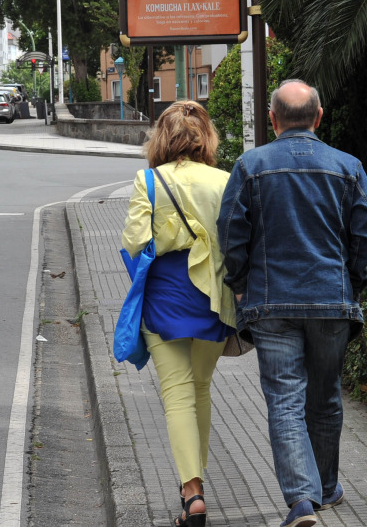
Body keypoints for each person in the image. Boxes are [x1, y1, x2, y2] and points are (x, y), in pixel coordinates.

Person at [217, 80, 367, 527]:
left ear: (272, 120)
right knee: (326, 397)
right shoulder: (348, 167)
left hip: (271, 305)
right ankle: (326, 488)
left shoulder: (250, 166)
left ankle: (302, 501)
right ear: (319, 116)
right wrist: (353, 279)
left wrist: (239, 281)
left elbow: (232, 232)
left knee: (285, 401)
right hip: (331, 300)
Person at [121, 100, 237, 527]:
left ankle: (192, 492)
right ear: (206, 139)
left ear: (161, 139)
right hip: (213, 298)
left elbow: (134, 242)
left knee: (177, 395)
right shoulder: (225, 180)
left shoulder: (147, 181)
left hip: (165, 299)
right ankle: (197, 486)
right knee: (201, 390)